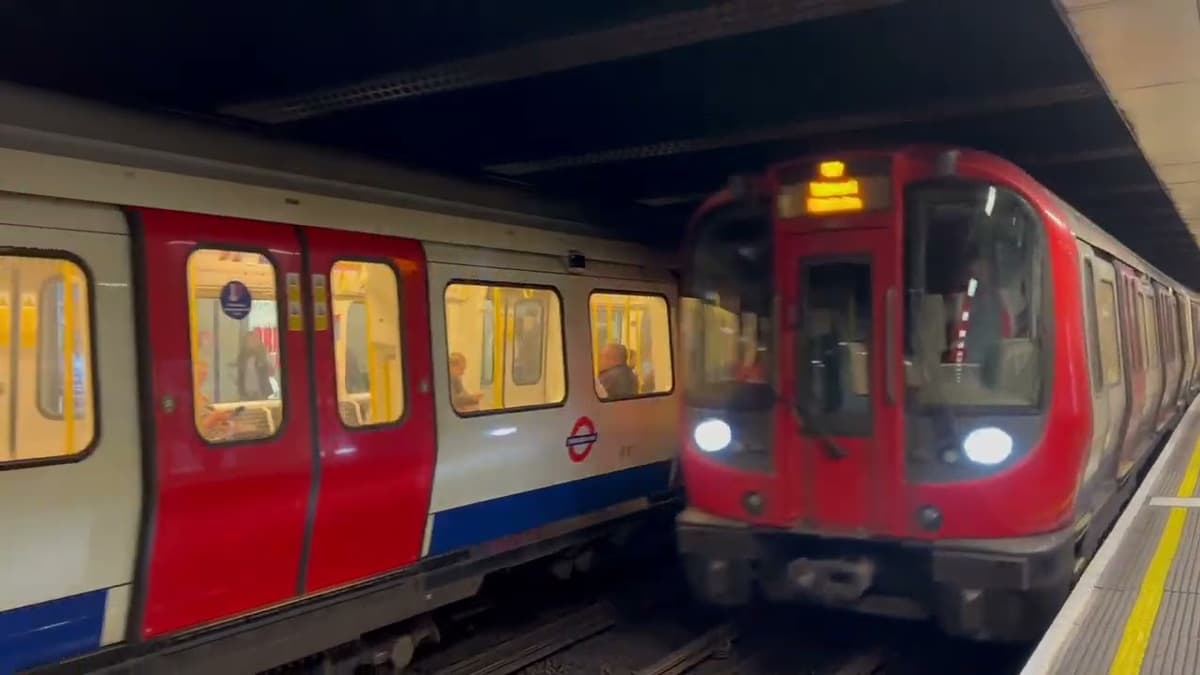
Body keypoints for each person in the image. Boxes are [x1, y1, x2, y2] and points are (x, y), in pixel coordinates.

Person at [236, 331, 275, 401]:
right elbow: (241, 375)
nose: (252, 342)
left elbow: (271, 372)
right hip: (246, 393)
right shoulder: (242, 356)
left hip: (261, 392)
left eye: (255, 340)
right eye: (250, 340)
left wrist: (265, 362)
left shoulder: (263, 354)